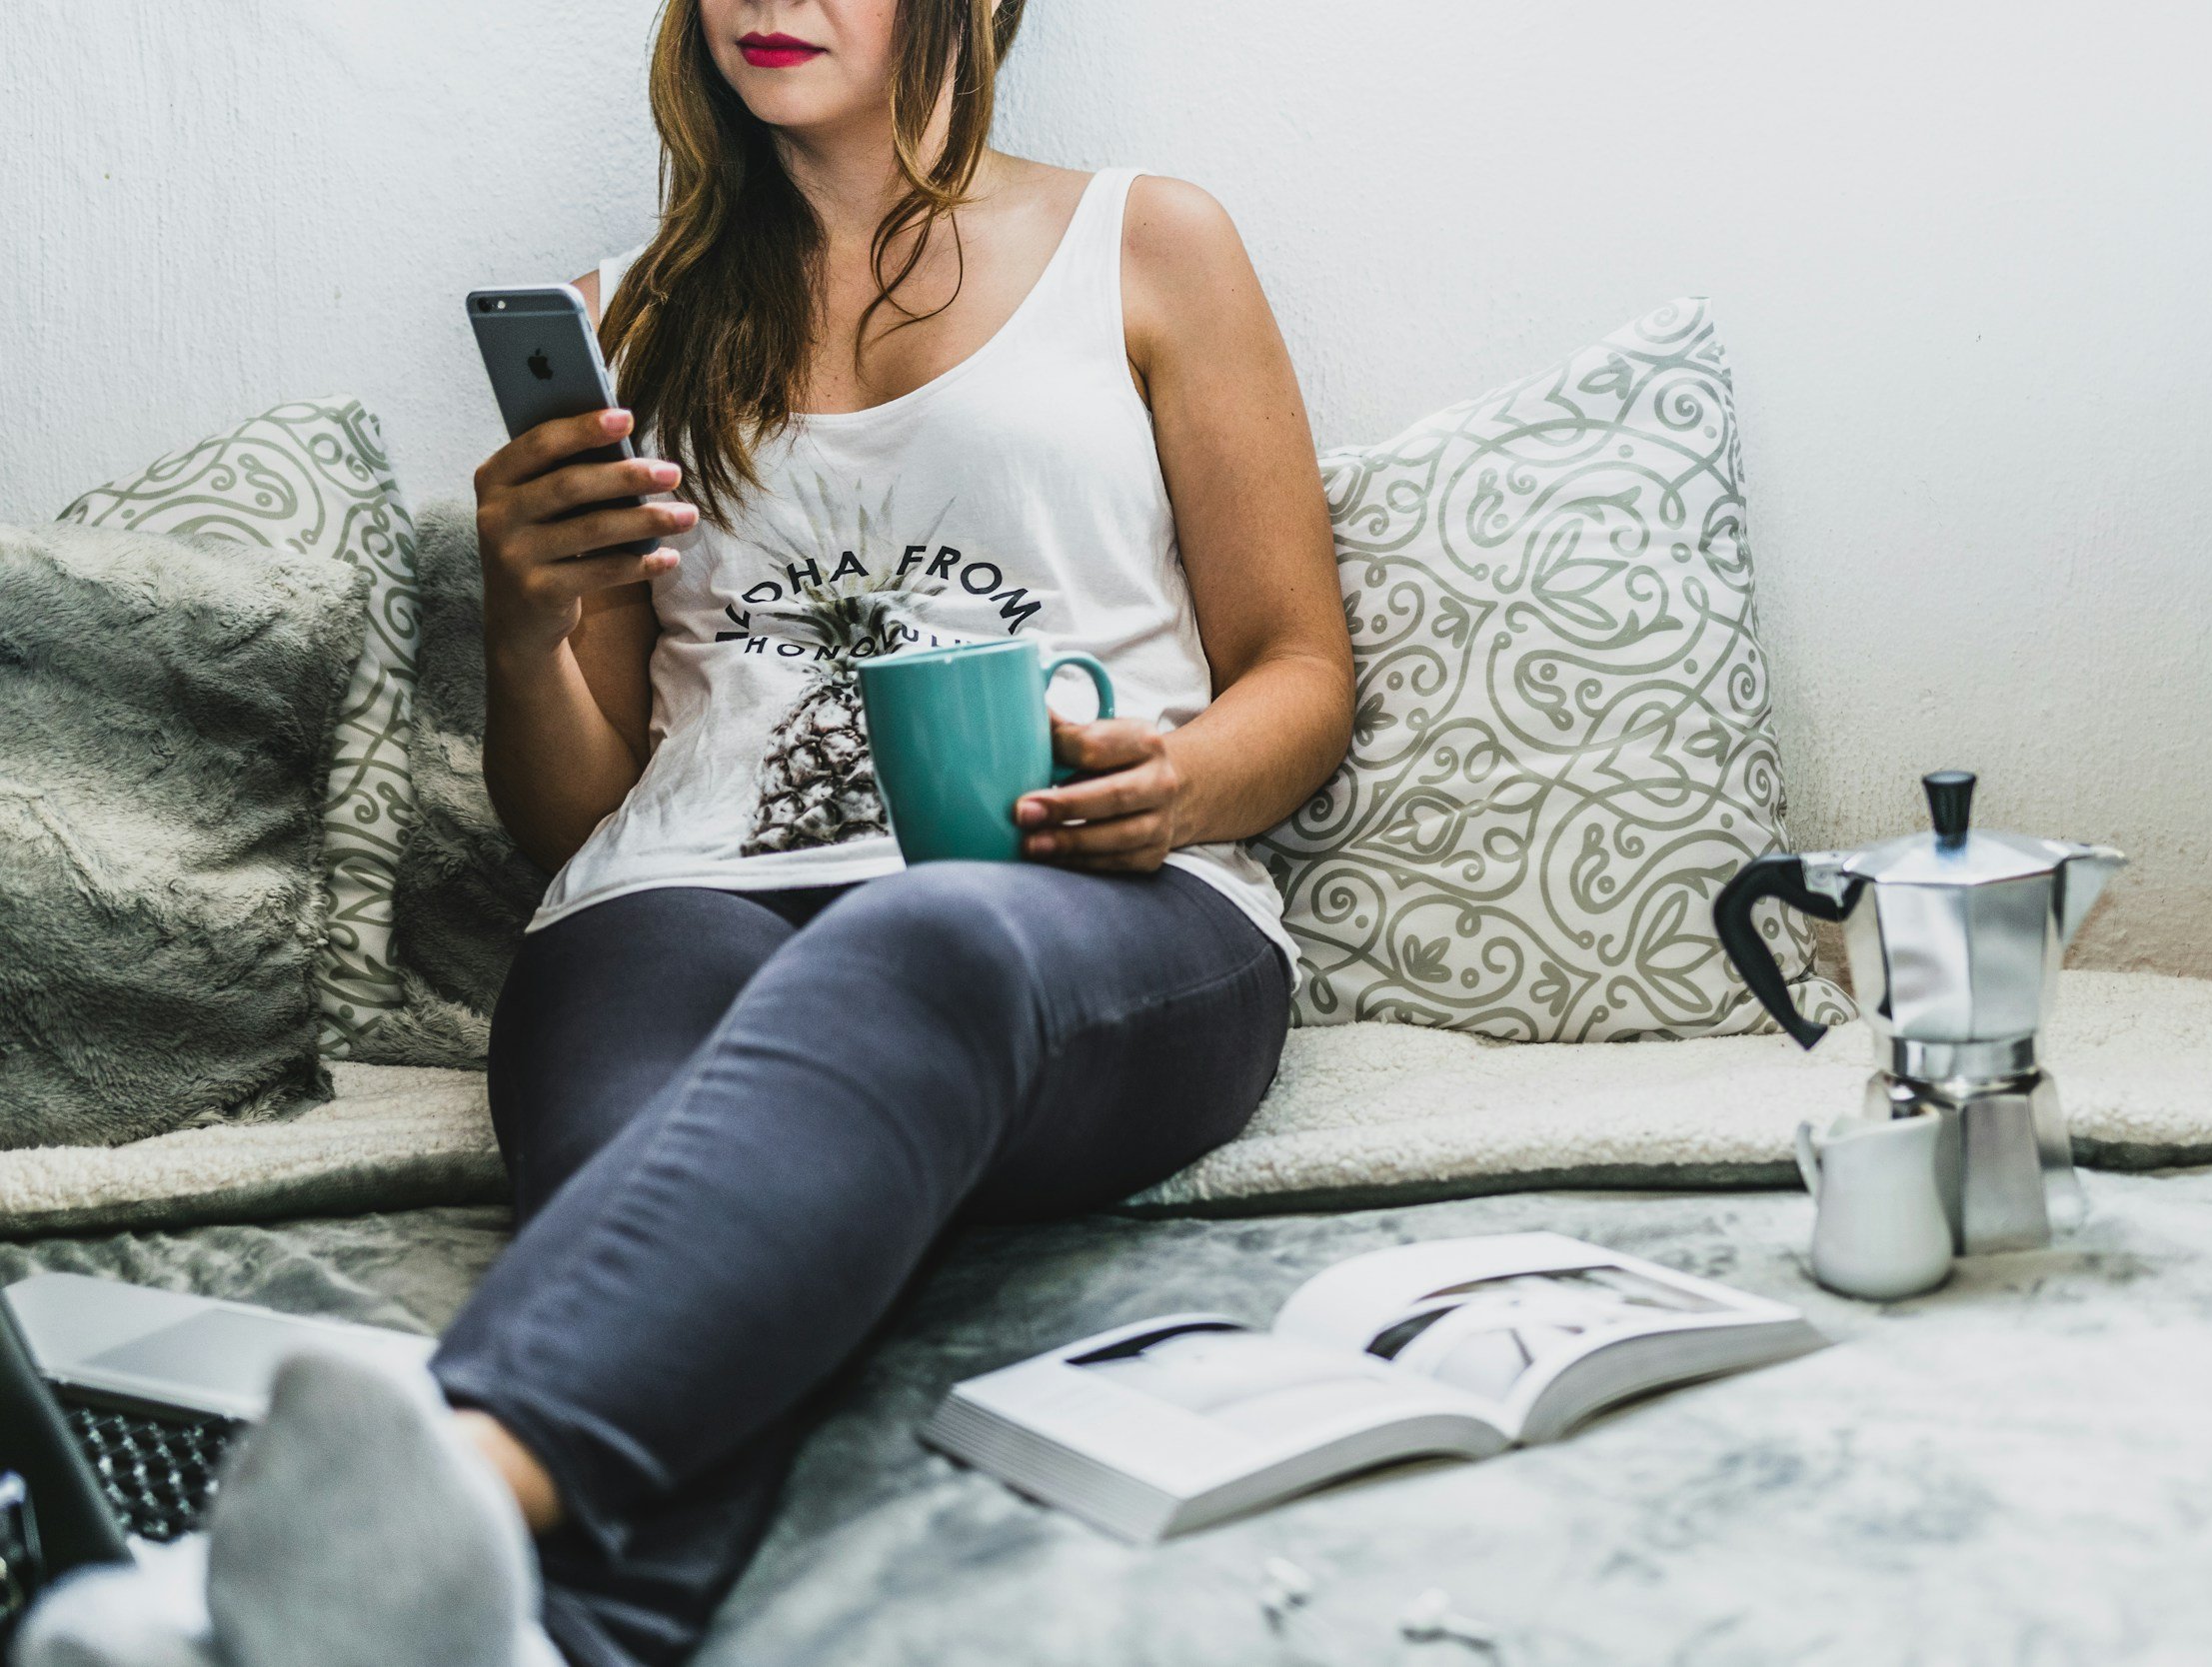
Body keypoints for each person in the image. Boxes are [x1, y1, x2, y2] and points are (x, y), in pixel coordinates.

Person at [12, 2, 1349, 1665]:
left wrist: (1178, 783)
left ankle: (437, 1489)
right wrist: (523, 623)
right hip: (675, 893)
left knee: (921, 936)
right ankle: (541, 1637)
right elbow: (578, 815)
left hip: (1082, 897)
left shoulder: (1150, 243)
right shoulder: (624, 319)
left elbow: (1300, 669)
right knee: (664, 1195)